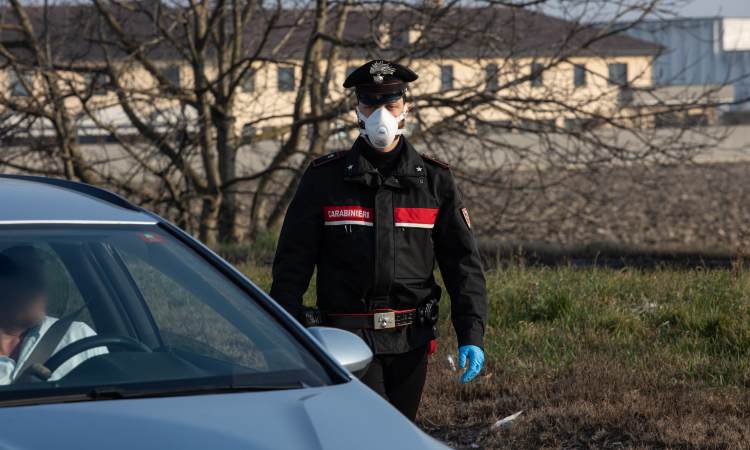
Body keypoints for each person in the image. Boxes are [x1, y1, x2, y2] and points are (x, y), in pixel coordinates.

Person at [270, 60, 488, 420]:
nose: (381, 113)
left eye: (391, 102)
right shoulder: (325, 179)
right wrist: (285, 332)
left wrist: (471, 333)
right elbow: (292, 263)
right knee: (368, 432)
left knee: (400, 432)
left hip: (411, 340)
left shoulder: (435, 182)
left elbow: (463, 265)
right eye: (370, 103)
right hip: (346, 339)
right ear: (357, 109)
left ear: (407, 108)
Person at [0, 246, 106, 385]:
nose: (43, 286)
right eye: (29, 278)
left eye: (41, 277)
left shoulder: (77, 336)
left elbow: (113, 398)